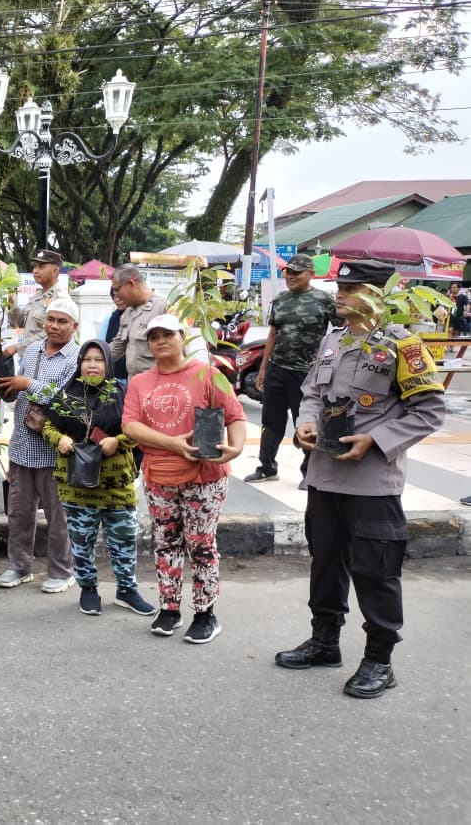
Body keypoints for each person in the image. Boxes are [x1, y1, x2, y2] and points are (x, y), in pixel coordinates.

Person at [278, 259, 445, 698]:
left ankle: (379, 659)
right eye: (340, 286)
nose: (340, 294)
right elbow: (312, 392)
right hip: (325, 476)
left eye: (351, 289)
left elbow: (429, 412)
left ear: (376, 295)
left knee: (376, 572)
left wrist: (374, 438)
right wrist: (306, 423)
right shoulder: (333, 341)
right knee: (325, 566)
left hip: (372, 483)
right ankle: (324, 641)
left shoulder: (400, 345)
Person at [122, 314, 246, 645]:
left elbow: (234, 416)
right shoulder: (140, 382)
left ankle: (206, 614)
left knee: (201, 545)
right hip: (160, 476)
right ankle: (169, 608)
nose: (160, 340)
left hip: (204, 477)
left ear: (184, 336)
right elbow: (131, 426)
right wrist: (173, 444)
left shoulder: (207, 374)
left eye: (168, 334)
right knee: (166, 544)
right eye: (154, 336)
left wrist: (233, 449)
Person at [43, 339, 155, 617]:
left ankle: (127, 590)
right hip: (77, 486)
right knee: (81, 540)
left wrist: (118, 441)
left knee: (124, 538)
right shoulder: (67, 395)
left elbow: (138, 428)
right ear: (79, 363)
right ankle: (88, 588)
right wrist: (59, 438)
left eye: (99, 360)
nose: (92, 365)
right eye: (87, 360)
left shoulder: (123, 393)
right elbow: (47, 425)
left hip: (116, 484)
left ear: (108, 363)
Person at [0, 297, 81, 593]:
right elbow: (17, 389)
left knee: (59, 515)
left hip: (54, 447)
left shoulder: (77, 359)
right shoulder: (32, 350)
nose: (54, 326)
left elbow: (66, 399)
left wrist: (27, 385)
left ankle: (61, 570)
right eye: (51, 320)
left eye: (62, 321)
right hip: (22, 443)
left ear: (74, 326)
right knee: (19, 511)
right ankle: (19, 566)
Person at [245, 253, 336, 487]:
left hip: (305, 373)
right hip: (277, 369)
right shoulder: (280, 300)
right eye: (289, 272)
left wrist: (327, 361)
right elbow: (273, 334)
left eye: (297, 273)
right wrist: (263, 368)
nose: (291, 277)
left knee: (305, 422)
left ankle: (310, 472)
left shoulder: (324, 300)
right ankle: (266, 467)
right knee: (270, 421)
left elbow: (341, 331)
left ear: (310, 274)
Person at [2, 249, 68, 361]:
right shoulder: (38, 294)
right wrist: (11, 304)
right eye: (35, 267)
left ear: (55, 271)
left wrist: (17, 347)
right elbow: (21, 321)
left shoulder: (60, 299)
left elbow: (51, 334)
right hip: (31, 358)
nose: (35, 271)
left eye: (41, 267)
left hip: (47, 360)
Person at [108, 263, 168, 378]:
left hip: (159, 384)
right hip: (134, 384)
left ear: (131, 283)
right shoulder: (128, 313)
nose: (117, 296)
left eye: (117, 290)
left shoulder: (165, 307)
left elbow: (182, 353)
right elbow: (117, 346)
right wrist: (91, 357)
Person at [103, 288, 128, 380]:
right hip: (115, 375)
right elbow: (109, 343)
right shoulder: (114, 317)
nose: (117, 299)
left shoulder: (137, 316)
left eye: (120, 296)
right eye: (114, 296)